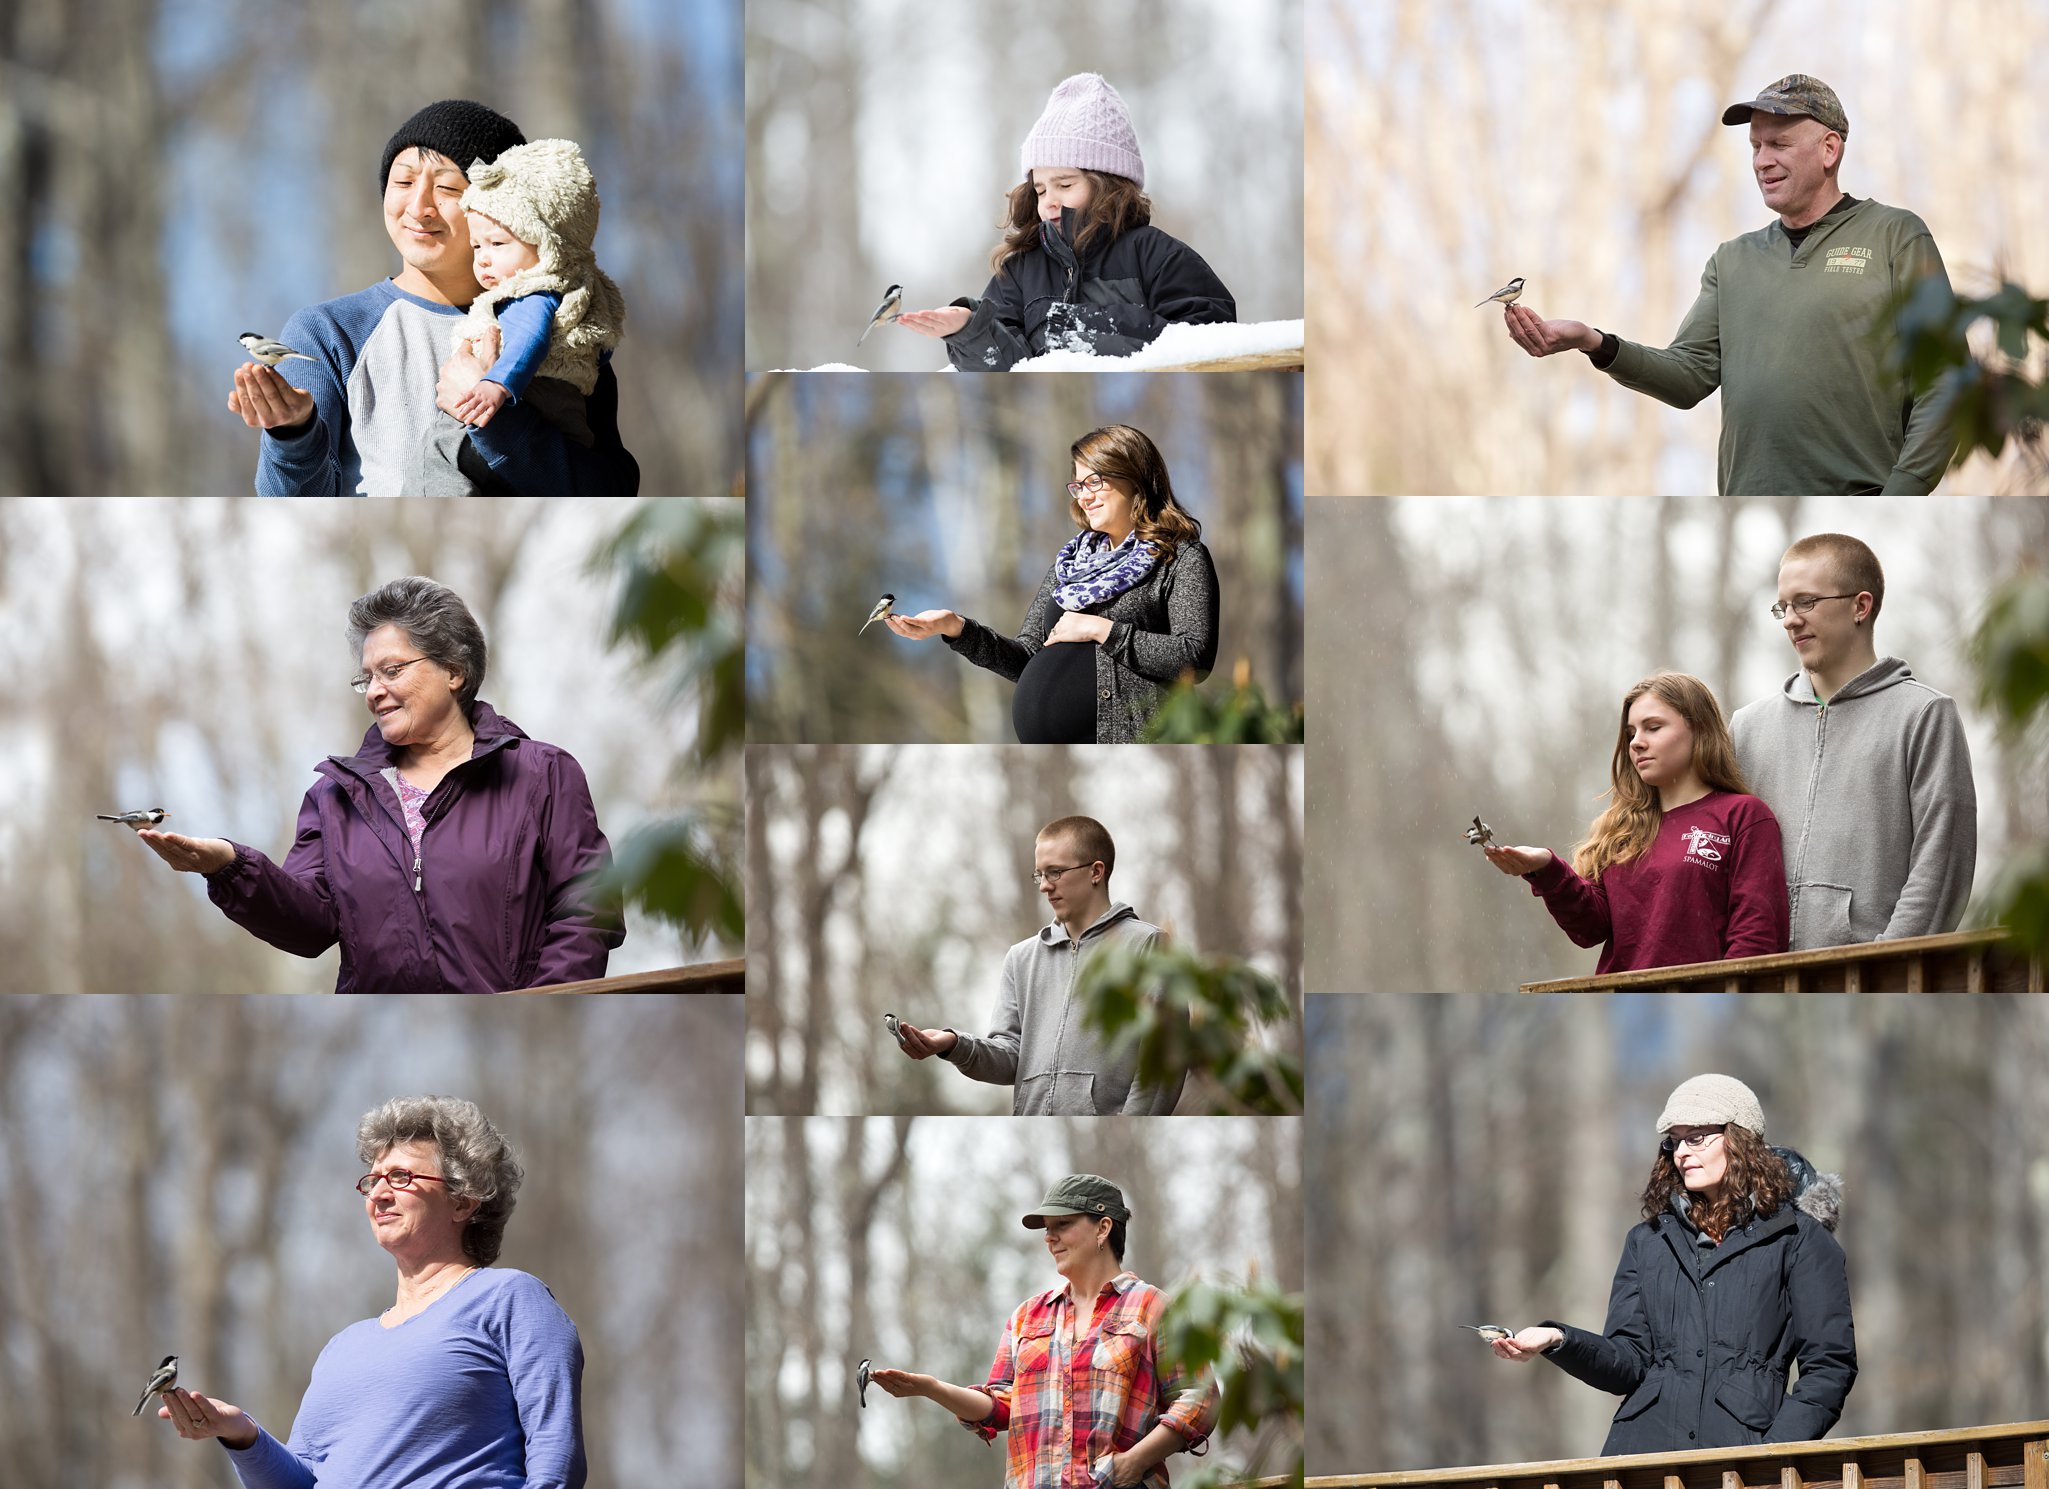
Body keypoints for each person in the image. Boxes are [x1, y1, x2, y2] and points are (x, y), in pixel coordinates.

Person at [133, 576, 624, 992]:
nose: (373, 691)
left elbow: (587, 914)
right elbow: (309, 927)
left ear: (454, 670)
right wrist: (230, 867)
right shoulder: (334, 797)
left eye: (391, 671)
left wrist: (535, 1013)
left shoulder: (544, 774)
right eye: (365, 677)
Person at [1500, 75, 1955, 495]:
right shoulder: (1732, 260)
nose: (1762, 161)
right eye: (1755, 146)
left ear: (1829, 150)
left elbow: (1947, 383)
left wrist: (1901, 496)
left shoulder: (1895, 236)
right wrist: (1594, 341)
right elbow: (1686, 377)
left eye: (1778, 144)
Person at [153, 1095, 586, 1488]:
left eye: (400, 1176)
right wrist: (242, 1435)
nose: (378, 1193)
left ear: (462, 1200)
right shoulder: (342, 1348)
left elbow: (555, 1459)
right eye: (372, 1179)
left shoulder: (509, 1299)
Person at [230, 99, 638, 497]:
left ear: (497, 208)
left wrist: (496, 419)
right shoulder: (328, 332)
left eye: (446, 187)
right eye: (403, 182)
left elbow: (611, 490)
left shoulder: (568, 326)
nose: (419, 206)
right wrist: (293, 434)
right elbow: (297, 507)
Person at [1488, 1075, 1856, 1454]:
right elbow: (1628, 1362)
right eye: (1674, 1141)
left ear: (1741, 1139)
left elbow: (1829, 1368)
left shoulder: (1798, 1238)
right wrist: (1559, 1340)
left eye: (1696, 1137)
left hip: (1741, 1459)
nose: (1681, 1152)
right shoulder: (1646, 1241)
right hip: (1640, 1458)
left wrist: (1773, 1457)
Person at [869, 1175, 1217, 1488]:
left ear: (1103, 1228)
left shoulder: (1154, 1307)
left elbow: (1202, 1400)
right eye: (1046, 1229)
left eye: (1062, 1225)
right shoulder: (1027, 1317)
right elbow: (1000, 1406)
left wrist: (1134, 1462)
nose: (1050, 1238)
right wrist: (932, 1388)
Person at [885, 424, 1219, 743]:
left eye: (1095, 482)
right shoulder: (1070, 566)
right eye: (1078, 486)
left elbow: (1194, 656)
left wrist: (1101, 630)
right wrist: (957, 628)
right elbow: (1027, 658)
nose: (1084, 497)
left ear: (1136, 479)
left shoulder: (1179, 557)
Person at [1732, 532, 1977, 948]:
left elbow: (1940, 865)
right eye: (1784, 606)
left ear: (1860, 606)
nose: (1791, 619)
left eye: (1806, 601)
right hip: (1759, 988)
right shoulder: (1747, 727)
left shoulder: (1924, 716)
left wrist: (1882, 970)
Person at [894, 74, 1236, 371]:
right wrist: (971, 329)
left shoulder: (1156, 254)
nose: (1049, 201)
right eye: (1040, 189)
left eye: (1065, 185)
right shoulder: (1020, 271)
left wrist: (1078, 326)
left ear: (1109, 182)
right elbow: (1011, 370)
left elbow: (1211, 341)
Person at [1483, 672, 1789, 973]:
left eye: (1653, 728)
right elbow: (1589, 929)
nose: (1636, 743)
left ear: (1698, 729)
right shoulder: (1623, 828)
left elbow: (1756, 938)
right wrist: (1547, 869)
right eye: (1631, 734)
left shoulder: (1743, 817)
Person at [891, 816, 1184, 1115]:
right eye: (1039, 875)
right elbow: (1011, 1059)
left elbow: (1161, 1068)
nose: (1044, 886)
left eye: (1055, 872)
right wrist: (953, 1044)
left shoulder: (1148, 946)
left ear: (1096, 871)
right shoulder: (1021, 958)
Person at [446, 137, 625, 448]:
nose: (483, 257)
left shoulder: (531, 295)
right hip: (551, 403)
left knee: (445, 451)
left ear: (547, 247)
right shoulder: (571, 291)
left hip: (536, 396)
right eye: (477, 246)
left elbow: (531, 337)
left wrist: (496, 383)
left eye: (498, 244)